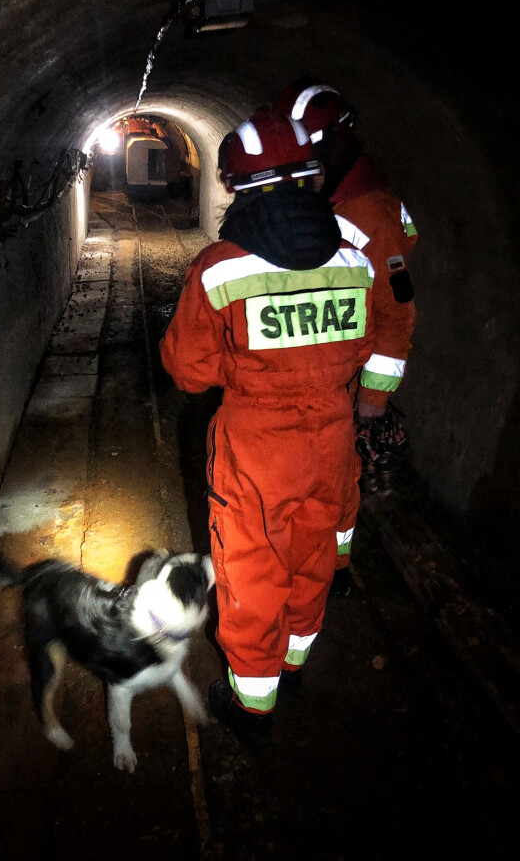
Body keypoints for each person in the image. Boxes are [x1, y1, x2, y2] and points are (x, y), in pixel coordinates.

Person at [159, 108, 376, 749]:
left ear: (237, 186)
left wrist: (245, 368)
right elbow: (361, 348)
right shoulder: (356, 260)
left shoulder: (220, 267)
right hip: (331, 439)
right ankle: (293, 668)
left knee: (253, 571)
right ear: (312, 177)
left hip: (256, 449)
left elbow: (189, 372)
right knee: (313, 555)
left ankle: (253, 707)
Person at [273, 80, 418, 597]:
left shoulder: (372, 212)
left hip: (350, 379)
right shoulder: (325, 195)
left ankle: (333, 573)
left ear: (337, 142)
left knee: (338, 483)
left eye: (309, 155)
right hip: (319, 367)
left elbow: (397, 315)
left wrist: (372, 402)